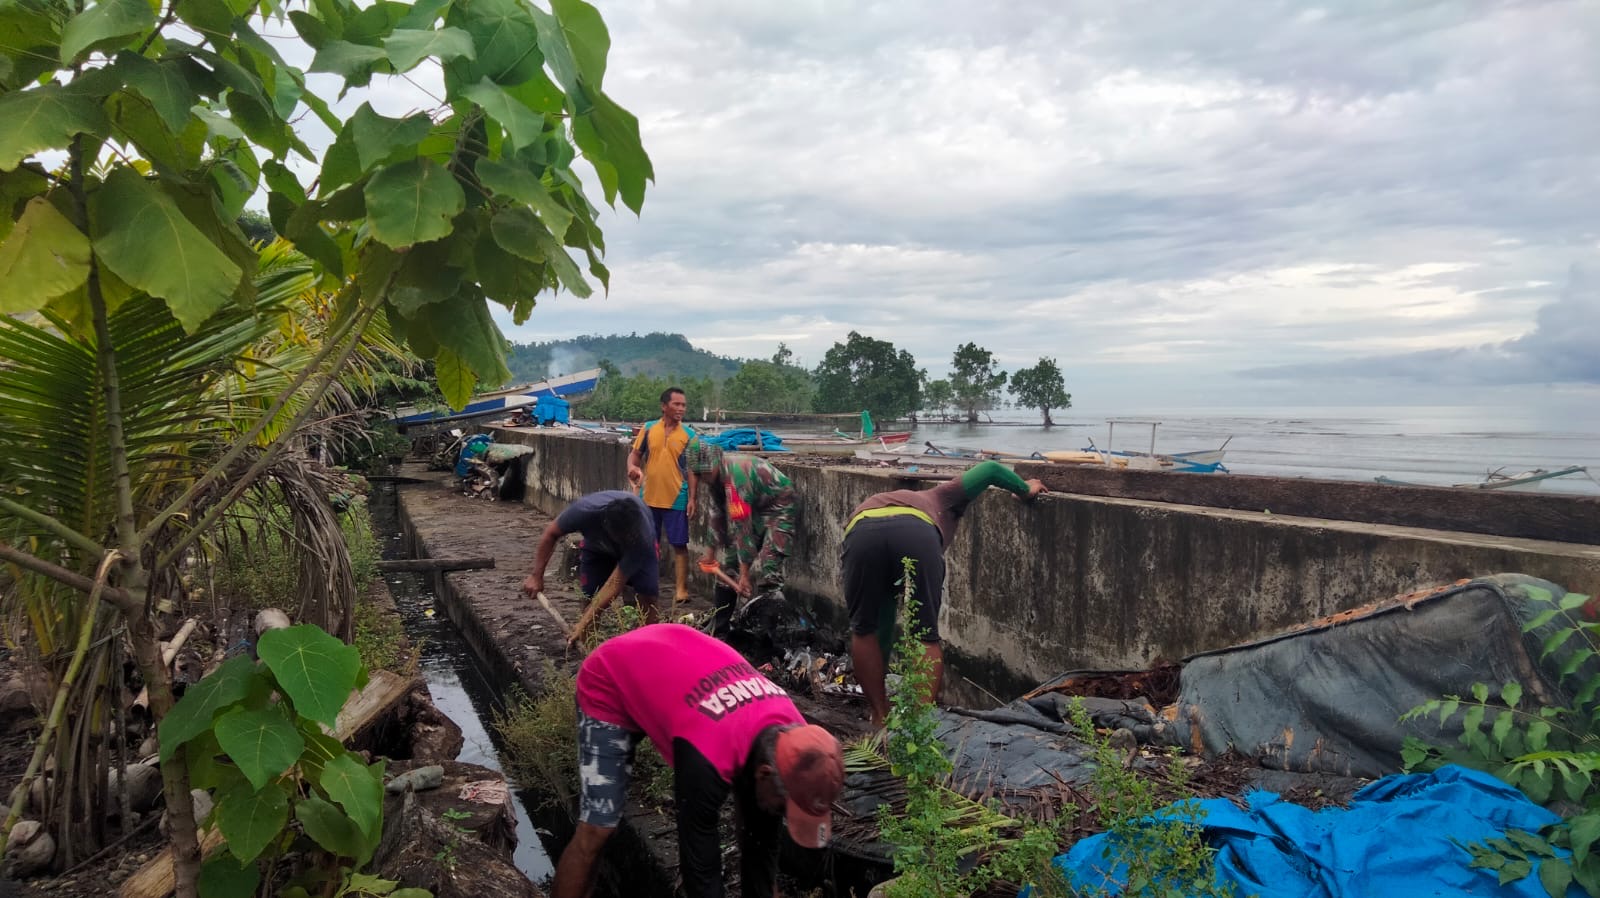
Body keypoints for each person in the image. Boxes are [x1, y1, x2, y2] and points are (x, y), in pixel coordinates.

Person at [553, 623, 845, 898]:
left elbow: (761, 845)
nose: (782, 814)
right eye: (785, 807)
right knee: (598, 829)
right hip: (613, 677)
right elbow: (699, 869)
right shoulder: (708, 753)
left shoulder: (798, 739)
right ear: (765, 773)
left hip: (677, 667)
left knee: (761, 823)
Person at [842, 460, 1046, 726]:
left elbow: (882, 628)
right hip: (916, 532)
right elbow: (991, 470)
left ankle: (879, 718)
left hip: (862, 531)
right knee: (925, 634)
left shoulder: (891, 500)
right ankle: (919, 726)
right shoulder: (943, 497)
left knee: (864, 629)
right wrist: (1025, 489)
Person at [683, 438, 798, 635]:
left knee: (769, 565)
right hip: (756, 508)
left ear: (717, 462)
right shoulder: (714, 481)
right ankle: (720, 629)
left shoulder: (736, 478)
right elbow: (717, 516)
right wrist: (710, 554)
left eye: (707, 472)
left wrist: (745, 575)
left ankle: (770, 631)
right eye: (699, 474)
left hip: (779, 507)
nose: (704, 478)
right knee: (729, 566)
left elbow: (742, 529)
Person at [521, 490, 660, 622]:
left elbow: (614, 584)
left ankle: (650, 640)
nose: (622, 542)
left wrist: (581, 625)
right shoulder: (583, 512)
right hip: (597, 546)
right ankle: (589, 641)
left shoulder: (642, 537)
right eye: (621, 538)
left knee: (648, 596)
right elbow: (550, 534)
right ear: (607, 527)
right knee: (589, 596)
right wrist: (536, 576)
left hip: (638, 547)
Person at [627, 387, 697, 600]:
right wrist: (632, 469)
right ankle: (648, 585)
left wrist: (693, 498)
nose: (681, 409)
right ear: (664, 406)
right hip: (648, 496)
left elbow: (693, 469)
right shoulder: (648, 429)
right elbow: (635, 455)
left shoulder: (689, 435)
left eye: (683, 405)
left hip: (677, 496)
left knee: (679, 544)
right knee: (648, 543)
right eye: (677, 404)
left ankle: (681, 590)